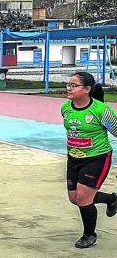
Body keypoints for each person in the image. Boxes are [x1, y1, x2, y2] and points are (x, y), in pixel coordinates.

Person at [62, 72, 117, 248]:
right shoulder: (65, 109)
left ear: (87, 89)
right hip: (74, 158)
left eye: (73, 85)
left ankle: (89, 235)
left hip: (97, 158)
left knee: (84, 199)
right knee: (74, 198)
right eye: (68, 84)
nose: (69, 88)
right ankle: (111, 200)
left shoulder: (101, 111)